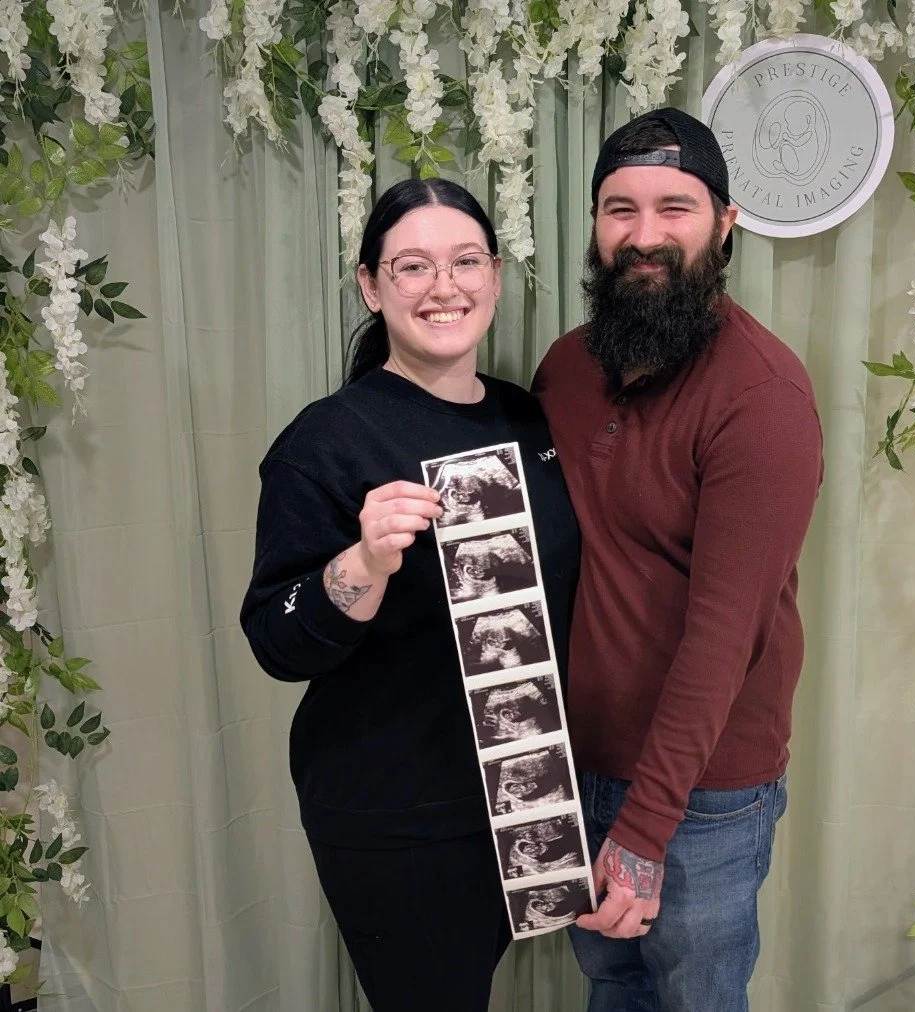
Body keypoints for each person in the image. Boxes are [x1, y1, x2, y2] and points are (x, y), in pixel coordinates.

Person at [240, 178, 580, 1012]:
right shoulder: (324, 441)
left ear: (495, 277)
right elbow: (274, 641)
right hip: (395, 814)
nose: (444, 286)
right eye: (414, 266)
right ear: (372, 285)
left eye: (465, 262)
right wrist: (363, 560)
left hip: (527, 793)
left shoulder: (530, 420)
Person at [532, 107, 824, 1011]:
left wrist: (648, 826)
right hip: (578, 763)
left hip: (703, 796)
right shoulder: (566, 369)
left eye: (675, 207)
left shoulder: (763, 398)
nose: (644, 235)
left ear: (725, 225)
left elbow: (723, 635)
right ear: (593, 226)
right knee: (611, 989)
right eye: (619, 209)